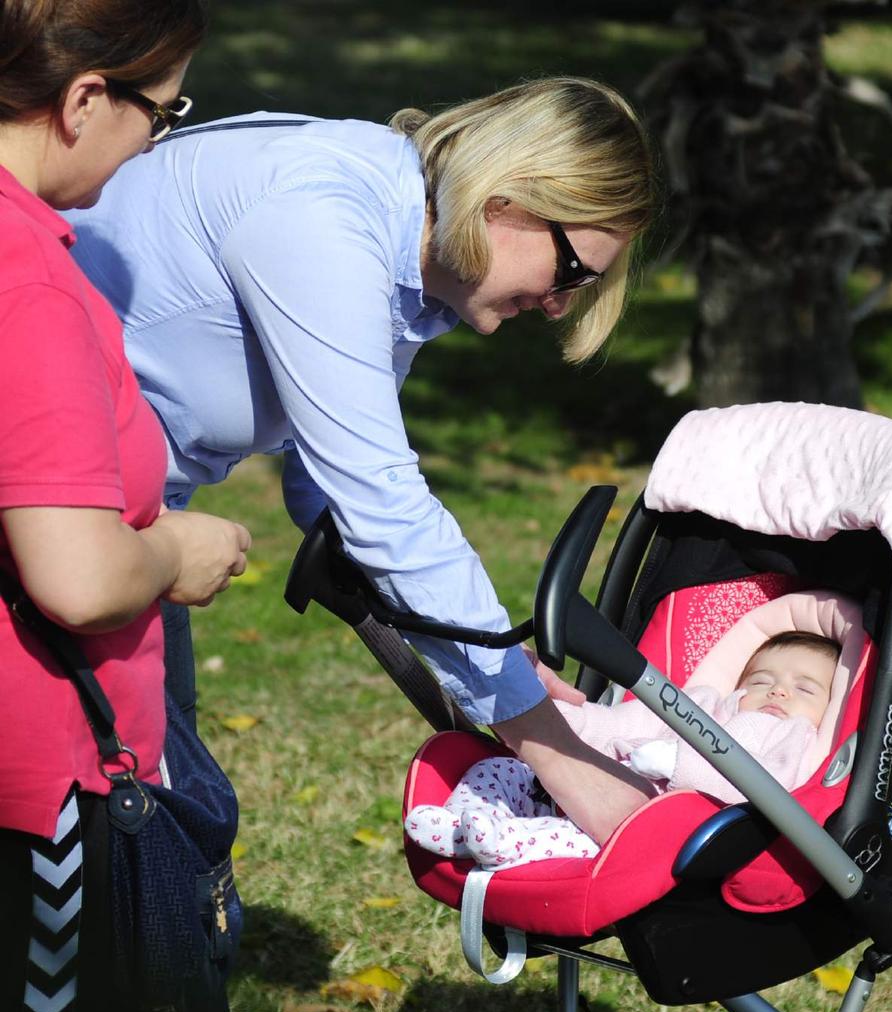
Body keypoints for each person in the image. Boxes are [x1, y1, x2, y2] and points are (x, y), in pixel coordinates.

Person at [66, 76, 660, 842]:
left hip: (117, 523)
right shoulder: (325, 220)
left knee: (165, 837)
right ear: (508, 202)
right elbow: (378, 501)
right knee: (136, 844)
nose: (560, 305)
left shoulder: (415, 249)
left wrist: (499, 677)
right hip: (56, 525)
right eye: (573, 271)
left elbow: (327, 494)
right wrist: (561, 756)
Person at [0, 1, 251, 1012]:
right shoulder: (28, 283)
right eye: (162, 107)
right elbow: (82, 574)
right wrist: (174, 550)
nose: (158, 136)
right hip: (34, 791)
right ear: (83, 100)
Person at [405, 631, 839, 869]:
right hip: (578, 780)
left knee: (578, 840)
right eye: (762, 680)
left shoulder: (791, 736)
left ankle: (505, 841)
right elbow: (618, 724)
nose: (779, 691)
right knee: (499, 770)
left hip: (645, 823)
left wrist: (677, 764)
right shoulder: (702, 703)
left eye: (804, 688)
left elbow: (769, 790)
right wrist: (552, 716)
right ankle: (459, 825)